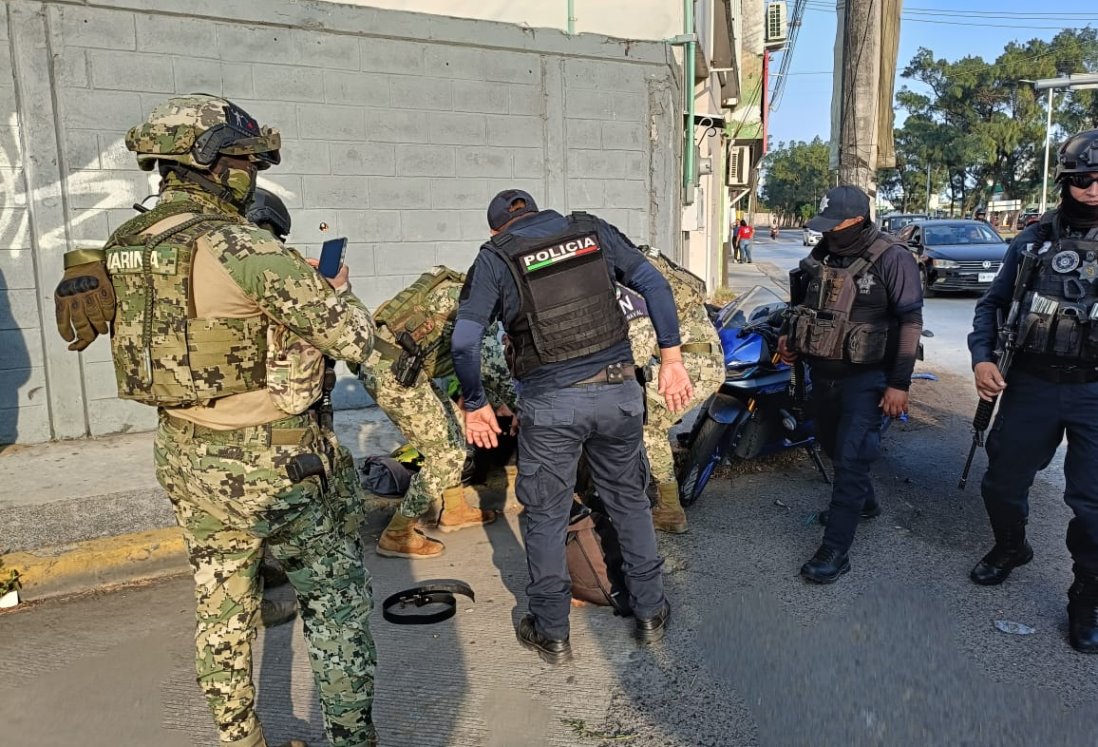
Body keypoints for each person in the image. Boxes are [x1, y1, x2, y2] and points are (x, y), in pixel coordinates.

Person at [54, 95, 378, 747]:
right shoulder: (243, 247)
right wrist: (332, 297)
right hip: (277, 459)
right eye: (241, 159)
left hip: (186, 454)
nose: (249, 172)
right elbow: (347, 341)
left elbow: (110, 266)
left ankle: (240, 738)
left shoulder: (133, 246)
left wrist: (79, 268)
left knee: (221, 614)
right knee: (337, 605)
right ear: (210, 162)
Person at [452, 189, 694, 664]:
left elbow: (464, 342)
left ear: (496, 228)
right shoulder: (590, 229)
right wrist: (672, 359)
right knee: (628, 501)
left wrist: (476, 404)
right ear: (541, 214)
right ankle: (649, 612)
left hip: (552, 405)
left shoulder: (496, 257)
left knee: (546, 513)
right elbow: (656, 286)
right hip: (620, 392)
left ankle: (551, 631)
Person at [967, 128, 1098, 653]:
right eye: (1084, 178)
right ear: (1067, 181)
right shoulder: (1033, 241)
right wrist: (980, 359)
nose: (1093, 188)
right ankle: (1011, 546)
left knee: (1093, 506)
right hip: (1032, 384)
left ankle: (1086, 599)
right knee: (1001, 483)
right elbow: (991, 306)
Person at [779, 186, 923, 584]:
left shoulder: (892, 258)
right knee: (830, 445)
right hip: (822, 375)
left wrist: (900, 383)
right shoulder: (824, 254)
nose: (828, 233)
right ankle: (864, 502)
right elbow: (804, 306)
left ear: (857, 220)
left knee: (851, 457)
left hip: (868, 377)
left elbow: (910, 320)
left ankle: (835, 550)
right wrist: (789, 339)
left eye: (835, 225)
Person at [357, 269, 516, 559]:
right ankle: (397, 532)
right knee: (446, 455)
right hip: (396, 374)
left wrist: (496, 401)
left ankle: (454, 510)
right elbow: (492, 368)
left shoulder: (467, 288)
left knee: (455, 429)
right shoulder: (483, 306)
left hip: (398, 365)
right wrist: (522, 408)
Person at [619, 250, 724, 534]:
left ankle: (669, 510)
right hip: (705, 359)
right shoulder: (644, 262)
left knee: (645, 421)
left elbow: (639, 349)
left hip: (690, 366)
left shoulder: (627, 283)